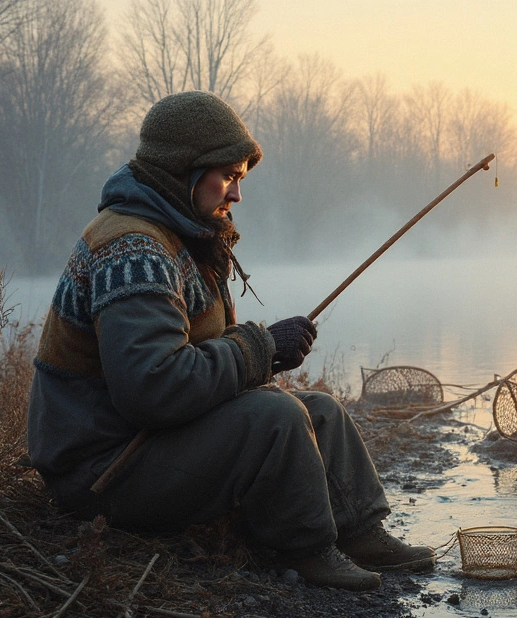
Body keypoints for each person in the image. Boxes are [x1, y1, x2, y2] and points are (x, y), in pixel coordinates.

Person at [27, 91, 433, 591]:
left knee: (319, 409)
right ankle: (308, 548)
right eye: (229, 176)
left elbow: (195, 356)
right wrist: (260, 349)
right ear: (185, 171)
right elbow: (153, 389)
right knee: (275, 417)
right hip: (100, 472)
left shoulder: (180, 235)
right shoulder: (134, 250)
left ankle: (361, 531)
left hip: (141, 443)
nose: (237, 194)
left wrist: (262, 353)